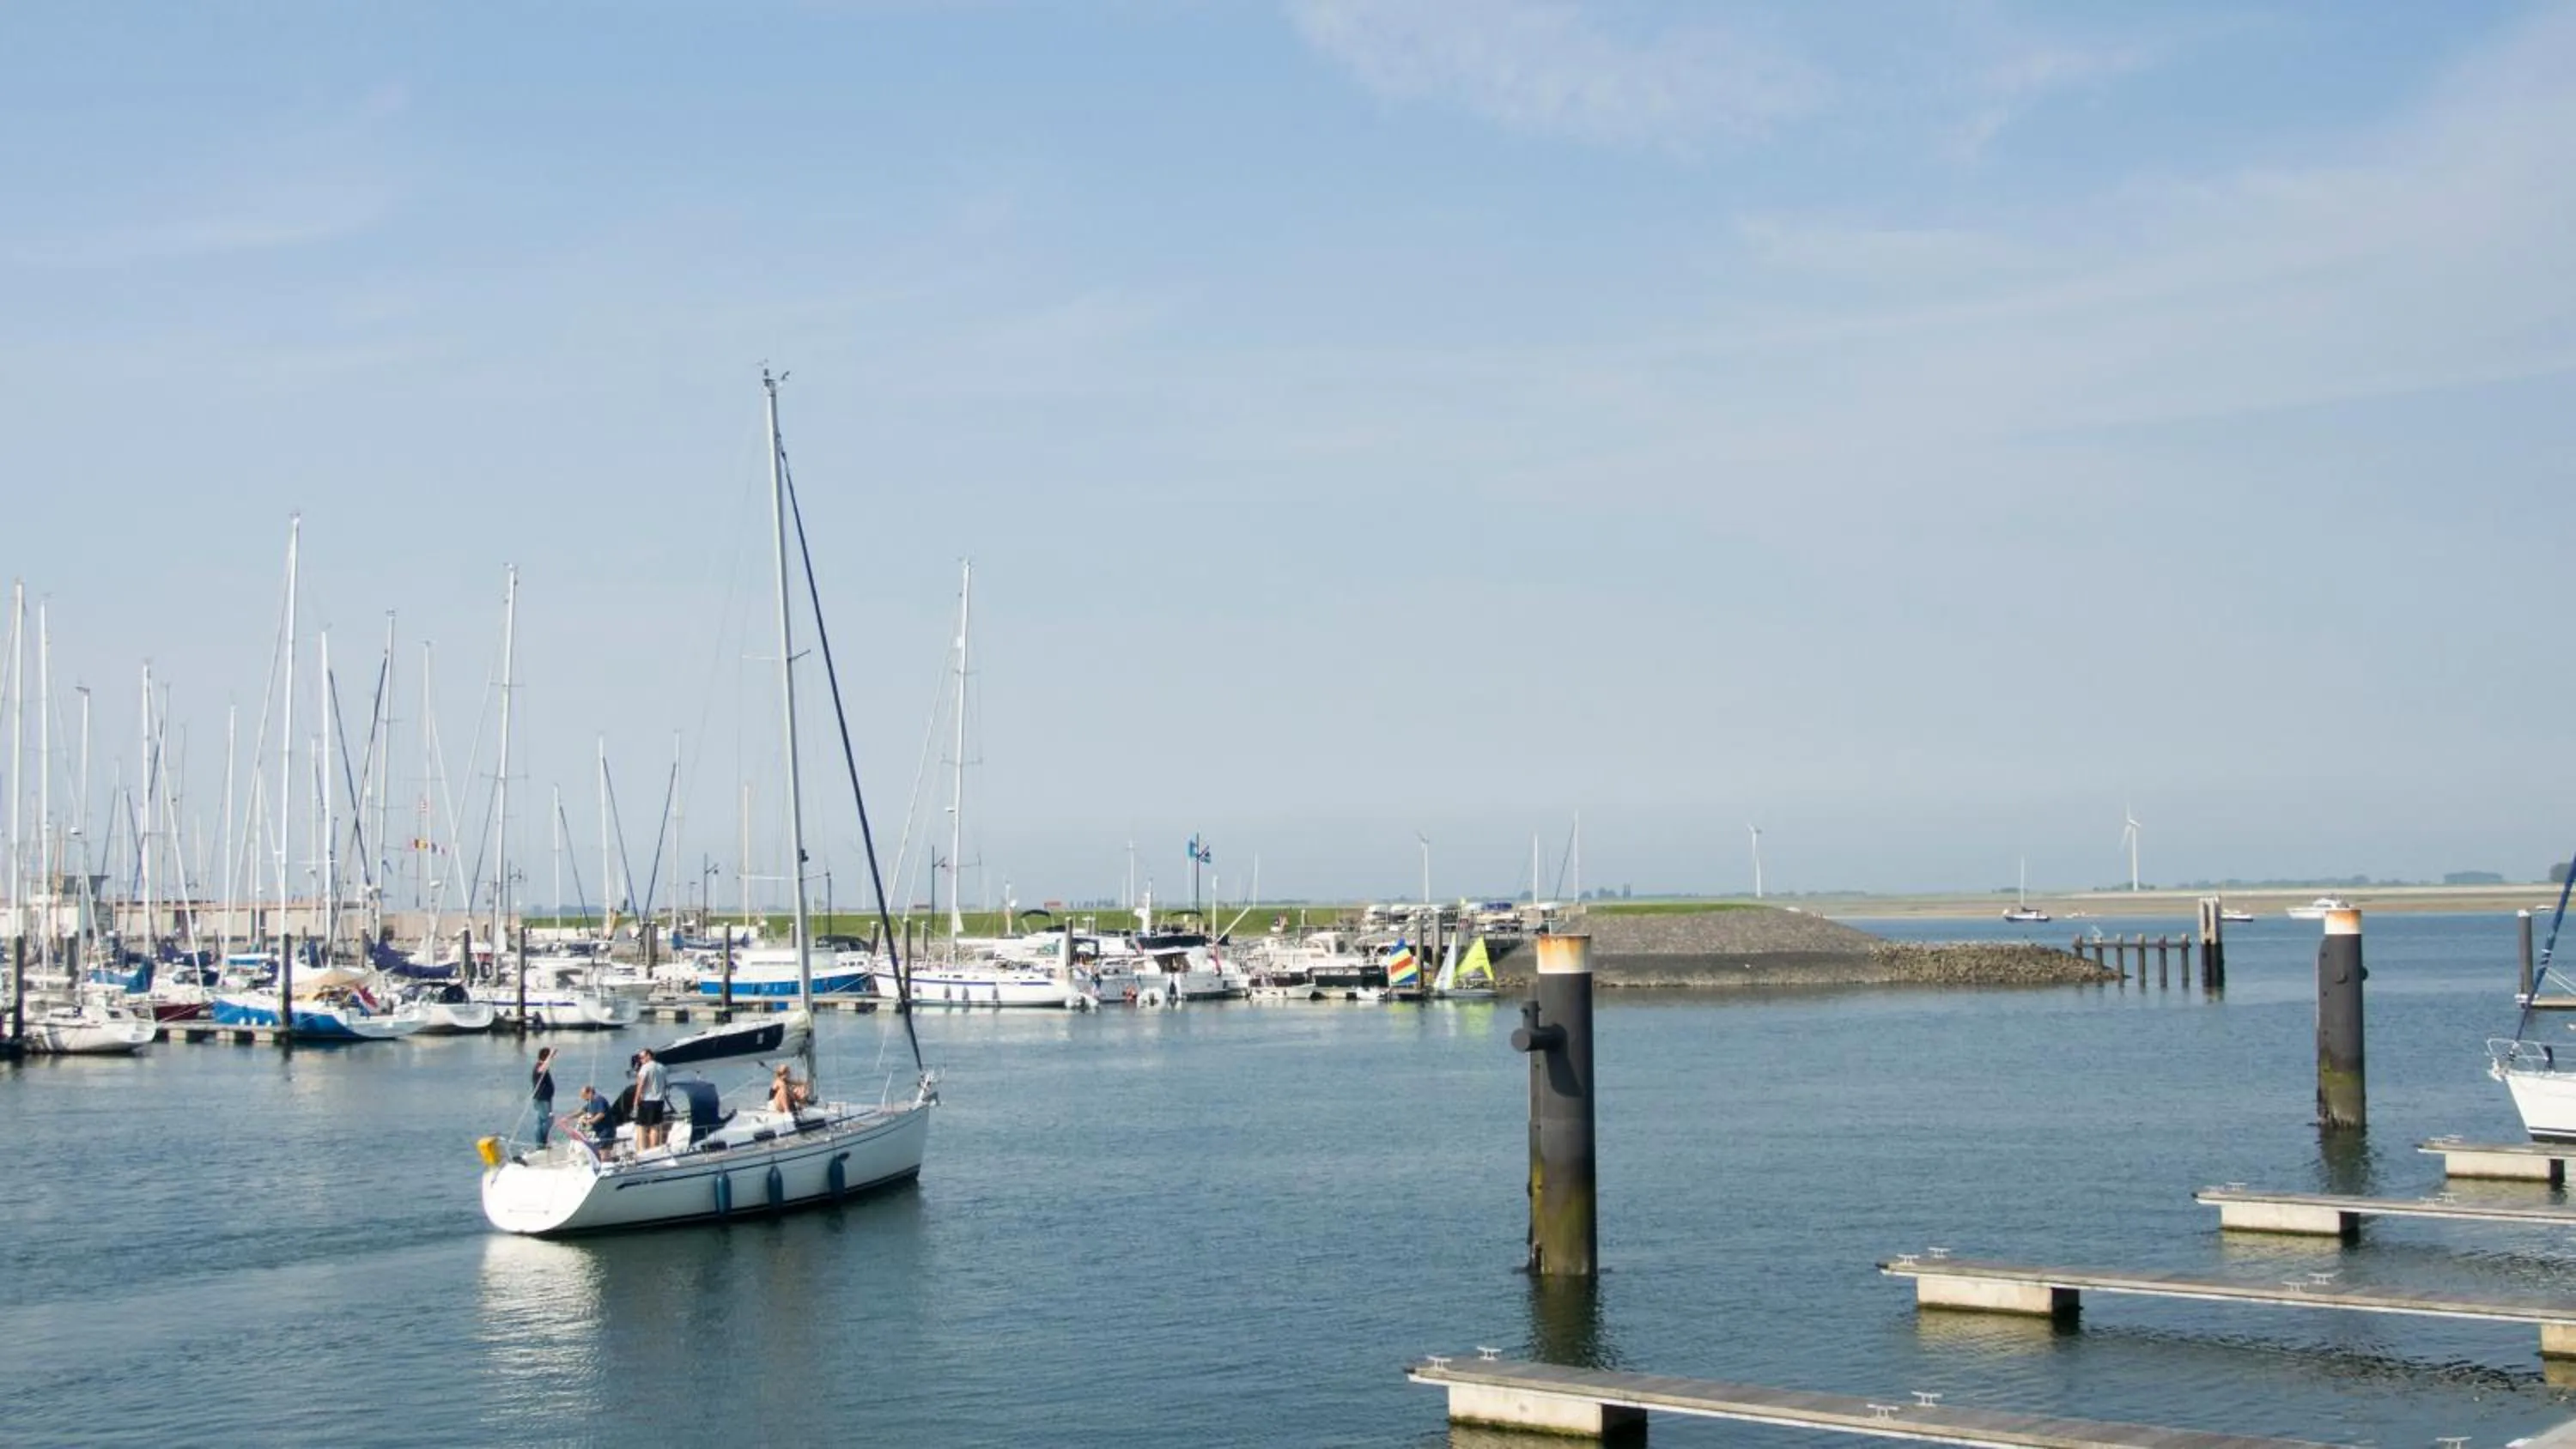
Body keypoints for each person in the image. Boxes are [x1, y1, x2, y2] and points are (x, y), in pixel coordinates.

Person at [634, 1047, 669, 1151]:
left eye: (641, 1058)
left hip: (647, 1100)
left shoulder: (645, 1067)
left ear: (649, 1056)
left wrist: (636, 1099)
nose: (640, 1060)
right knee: (655, 1126)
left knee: (641, 1126)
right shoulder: (662, 1067)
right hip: (659, 1100)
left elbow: (641, 1084)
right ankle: (654, 1149)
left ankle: (642, 1149)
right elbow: (665, 1084)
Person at [529, 1047, 557, 1148]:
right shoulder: (539, 1066)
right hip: (542, 1099)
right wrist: (551, 1056)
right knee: (547, 1120)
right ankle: (542, 1143)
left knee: (541, 1121)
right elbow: (542, 1069)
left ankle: (540, 1144)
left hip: (544, 1099)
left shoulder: (541, 1065)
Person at [575, 1084, 613, 1153]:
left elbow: (601, 1114)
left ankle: (606, 1161)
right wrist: (568, 1117)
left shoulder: (599, 1100)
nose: (584, 1099)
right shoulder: (590, 1102)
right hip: (599, 1132)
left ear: (589, 1093)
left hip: (606, 1131)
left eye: (584, 1096)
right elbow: (581, 1111)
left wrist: (591, 1121)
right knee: (597, 1151)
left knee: (603, 1152)